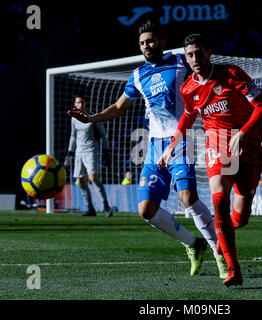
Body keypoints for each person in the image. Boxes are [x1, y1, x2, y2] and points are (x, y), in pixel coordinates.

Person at [67, 22, 227, 279]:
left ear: (163, 42)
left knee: (187, 197)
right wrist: (92, 118)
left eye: (150, 41)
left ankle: (219, 253)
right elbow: (120, 106)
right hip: (153, 147)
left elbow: (206, 70)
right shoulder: (138, 75)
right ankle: (192, 244)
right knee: (146, 209)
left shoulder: (180, 61)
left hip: (180, 140)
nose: (146, 46)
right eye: (142, 43)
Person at [157, 33, 262, 287]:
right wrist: (170, 148)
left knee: (240, 218)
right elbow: (188, 117)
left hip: (249, 144)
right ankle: (233, 269)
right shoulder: (188, 88)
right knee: (219, 201)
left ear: (209, 53)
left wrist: (243, 133)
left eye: (199, 53)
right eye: (189, 55)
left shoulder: (232, 74)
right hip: (218, 145)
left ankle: (222, 238)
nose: (194, 58)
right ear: (185, 58)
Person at [66, 94, 113, 217]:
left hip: (91, 151)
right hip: (79, 153)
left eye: (82, 102)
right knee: (80, 180)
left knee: (93, 178)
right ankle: (90, 208)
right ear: (75, 105)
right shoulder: (74, 118)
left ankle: (106, 206)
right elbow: (73, 135)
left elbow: (103, 134)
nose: (80, 105)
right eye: (78, 103)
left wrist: (106, 151)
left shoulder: (92, 117)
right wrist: (70, 152)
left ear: (85, 103)